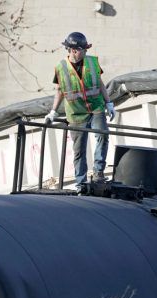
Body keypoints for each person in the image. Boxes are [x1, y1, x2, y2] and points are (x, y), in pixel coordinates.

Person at [45, 32, 115, 193]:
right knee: (79, 150)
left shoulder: (91, 62)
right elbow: (59, 91)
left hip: (96, 108)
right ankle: (81, 183)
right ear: (73, 50)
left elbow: (100, 84)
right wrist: (53, 112)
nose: (85, 52)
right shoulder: (61, 68)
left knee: (102, 135)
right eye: (82, 50)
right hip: (76, 114)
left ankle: (98, 172)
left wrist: (108, 103)